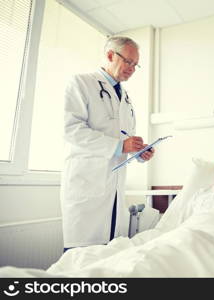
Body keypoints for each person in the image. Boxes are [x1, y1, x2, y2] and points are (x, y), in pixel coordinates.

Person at [61, 36, 154, 251]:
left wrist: (139, 151)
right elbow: (72, 129)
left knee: (109, 257)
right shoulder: (81, 83)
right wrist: (121, 146)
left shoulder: (125, 97)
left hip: (114, 189)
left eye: (135, 65)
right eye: (128, 62)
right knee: (80, 259)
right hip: (87, 183)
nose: (132, 69)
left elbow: (124, 137)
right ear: (110, 55)